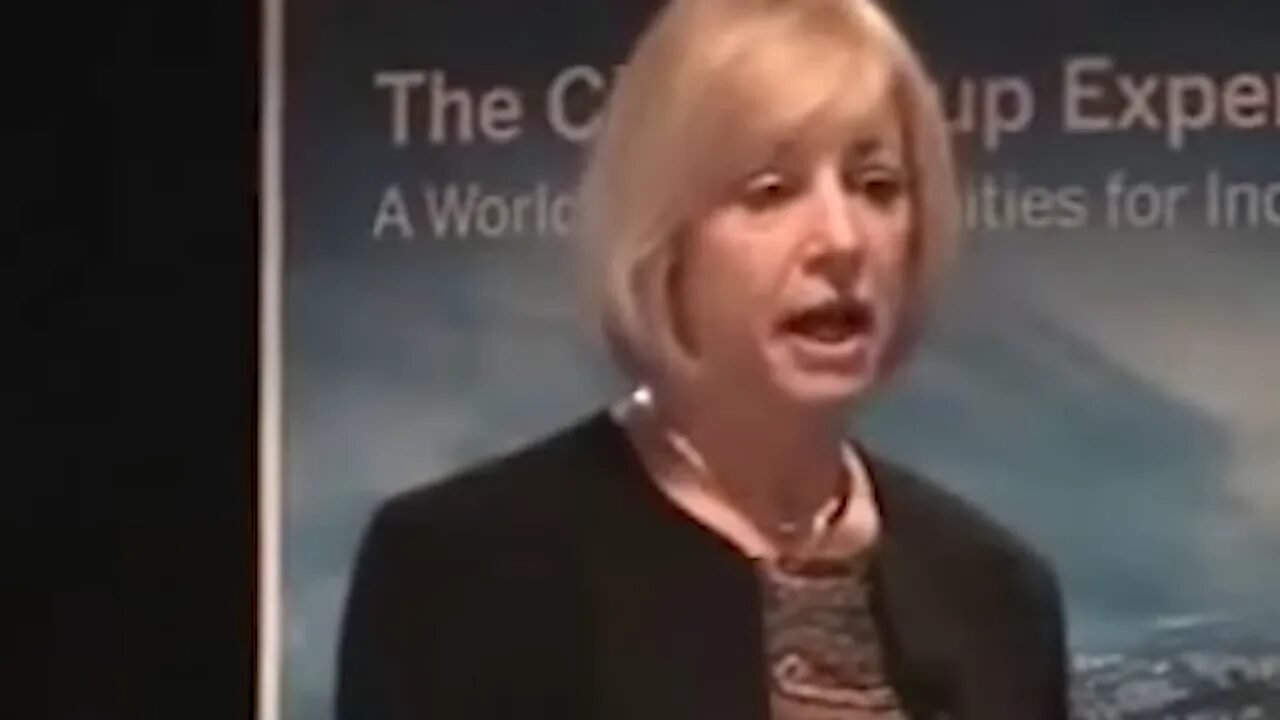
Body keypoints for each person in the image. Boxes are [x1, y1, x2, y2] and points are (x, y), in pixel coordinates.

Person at [336, 0, 1070, 717]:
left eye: (876, 186)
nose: (843, 239)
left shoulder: (997, 597)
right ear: (665, 240)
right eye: (771, 190)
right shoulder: (462, 573)